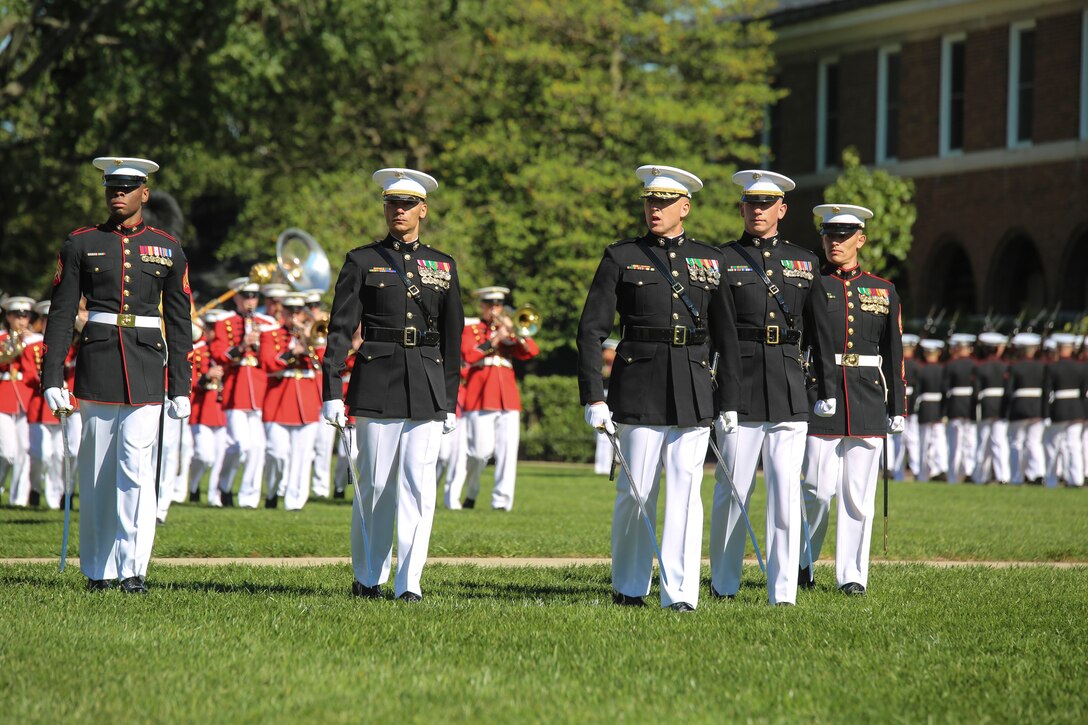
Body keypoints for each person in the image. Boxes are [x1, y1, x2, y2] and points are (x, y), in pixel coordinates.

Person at [577, 164, 741, 611]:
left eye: (665, 202)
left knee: (686, 493)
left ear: (684, 207)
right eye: (650, 201)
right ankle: (629, 584)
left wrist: (730, 400)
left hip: (692, 385)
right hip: (638, 385)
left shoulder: (711, 259)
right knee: (635, 490)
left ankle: (680, 593)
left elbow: (726, 335)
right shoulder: (621, 256)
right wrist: (594, 395)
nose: (655, 209)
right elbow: (591, 330)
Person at [42, 156, 192, 593]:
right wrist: (52, 377)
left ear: (145, 193)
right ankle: (98, 570)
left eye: (127, 188)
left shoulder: (168, 247)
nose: (118, 195)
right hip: (99, 364)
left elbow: (181, 322)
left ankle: (132, 570)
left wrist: (180, 385)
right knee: (96, 470)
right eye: (112, 188)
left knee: (135, 468)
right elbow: (62, 313)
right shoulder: (80, 243)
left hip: (147, 365)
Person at [321, 168, 464, 602]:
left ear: (423, 209)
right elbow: (339, 330)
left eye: (406, 205)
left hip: (426, 381)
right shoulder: (362, 260)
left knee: (419, 488)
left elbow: (453, 336)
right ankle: (368, 577)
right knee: (375, 484)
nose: (398, 211)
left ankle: (410, 582)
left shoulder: (443, 264)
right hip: (376, 379)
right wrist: (331, 389)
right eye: (391, 204)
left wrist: (451, 399)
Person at [708, 170, 835, 606]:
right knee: (733, 488)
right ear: (742, 208)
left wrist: (827, 388)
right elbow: (712, 331)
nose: (758, 211)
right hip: (738, 384)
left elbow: (820, 332)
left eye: (767, 205)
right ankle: (723, 583)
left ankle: (783, 591)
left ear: (782, 210)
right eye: (751, 204)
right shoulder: (721, 258)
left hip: (788, 383)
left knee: (785, 491)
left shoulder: (805, 261)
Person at [800, 204, 906, 595]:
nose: (835, 243)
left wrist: (898, 405)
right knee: (816, 487)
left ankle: (852, 575)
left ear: (860, 239)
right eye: (829, 236)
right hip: (820, 392)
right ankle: (802, 562)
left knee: (858, 496)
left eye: (843, 236)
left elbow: (894, 351)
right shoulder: (812, 283)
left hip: (866, 396)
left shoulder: (883, 289)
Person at [459, 286, 540, 511]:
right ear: (482, 306)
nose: (495, 309)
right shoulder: (471, 327)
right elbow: (468, 354)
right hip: (481, 395)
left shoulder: (509, 327)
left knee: (507, 451)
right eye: (490, 305)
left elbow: (531, 351)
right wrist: (495, 339)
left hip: (508, 397)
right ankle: (472, 489)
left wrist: (513, 332)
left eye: (499, 305)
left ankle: (501, 502)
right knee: (479, 453)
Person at [211, 277, 277, 507]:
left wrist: (260, 343)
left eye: (254, 296)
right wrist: (241, 346)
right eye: (246, 296)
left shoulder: (266, 322)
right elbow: (218, 353)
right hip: (235, 389)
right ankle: (225, 485)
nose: (250, 301)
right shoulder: (225, 322)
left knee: (258, 446)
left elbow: (270, 358)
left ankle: (249, 497)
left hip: (259, 390)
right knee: (239, 446)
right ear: (237, 298)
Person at [260, 294, 324, 510]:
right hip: (279, 399)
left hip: (306, 401)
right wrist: (292, 352)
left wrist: (311, 340)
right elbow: (268, 364)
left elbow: (325, 364)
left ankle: (294, 502)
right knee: (277, 453)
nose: (295, 316)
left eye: (298, 312)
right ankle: (272, 491)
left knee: (303, 456)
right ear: (283, 312)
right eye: (291, 312)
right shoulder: (271, 334)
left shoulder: (314, 336)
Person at [0, 295, 36, 506]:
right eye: (17, 316)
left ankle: (19, 499)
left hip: (24, 397)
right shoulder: (2, 336)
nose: (22, 320)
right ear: (9, 316)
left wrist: (29, 342)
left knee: (24, 450)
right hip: (3, 397)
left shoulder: (35, 340)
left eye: (25, 316)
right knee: (7, 452)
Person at [1042, 332, 1085, 488]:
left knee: (1053, 445)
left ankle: (1052, 480)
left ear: (1059, 349)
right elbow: (1083, 392)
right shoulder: (1081, 367)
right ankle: (1076, 479)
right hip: (1076, 409)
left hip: (1058, 409)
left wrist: (1046, 414)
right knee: (1074, 445)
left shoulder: (1052, 368)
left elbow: (1047, 393)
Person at [1005, 332, 1046, 484]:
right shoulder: (1042, 366)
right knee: (1034, 442)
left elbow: (1009, 391)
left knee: (1017, 442)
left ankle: (1017, 476)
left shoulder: (1014, 367)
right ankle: (1037, 473)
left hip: (1019, 406)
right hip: (1037, 407)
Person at [972, 331, 1011, 484]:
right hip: (1000, 406)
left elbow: (976, 391)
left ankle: (981, 476)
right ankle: (1003, 476)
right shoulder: (1006, 366)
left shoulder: (980, 367)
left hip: (985, 406)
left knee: (983, 443)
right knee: (999, 442)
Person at [943, 333, 978, 483]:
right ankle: (968, 471)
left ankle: (953, 475)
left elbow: (945, 389)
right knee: (969, 442)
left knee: (955, 444)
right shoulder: (975, 365)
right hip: (970, 407)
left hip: (955, 406)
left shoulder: (950, 365)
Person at [915, 338, 947, 481]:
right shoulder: (943, 370)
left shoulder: (921, 370)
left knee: (924, 442)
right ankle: (941, 469)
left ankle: (924, 474)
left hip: (925, 408)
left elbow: (917, 393)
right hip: (939, 407)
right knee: (939, 440)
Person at [891, 333, 921, 481]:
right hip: (910, 406)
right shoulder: (916, 365)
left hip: (900, 404)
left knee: (899, 442)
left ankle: (898, 472)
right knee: (913, 440)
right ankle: (916, 470)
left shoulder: (896, 363)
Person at [592, 338, 619, 475]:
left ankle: (604, 466)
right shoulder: (601, 367)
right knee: (602, 436)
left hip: (612, 404)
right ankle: (602, 466)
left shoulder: (616, 368)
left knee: (606, 436)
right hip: (603, 403)